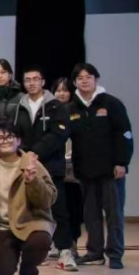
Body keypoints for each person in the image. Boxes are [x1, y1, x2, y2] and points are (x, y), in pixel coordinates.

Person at [66, 63, 132, 269]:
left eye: (89, 77)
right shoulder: (71, 108)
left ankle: (115, 254)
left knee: (114, 214)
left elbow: (124, 134)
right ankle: (94, 252)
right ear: (75, 82)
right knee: (90, 215)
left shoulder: (111, 103)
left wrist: (121, 162)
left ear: (96, 79)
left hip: (111, 171)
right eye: (80, 78)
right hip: (85, 171)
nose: (84, 81)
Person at [0, 123, 57, 275]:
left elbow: (49, 199)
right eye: (0, 138)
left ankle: (28, 271)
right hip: (1, 227)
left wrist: (33, 181)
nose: (5, 141)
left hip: (30, 222)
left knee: (41, 239)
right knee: (0, 273)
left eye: (10, 137)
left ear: (19, 141)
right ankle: (2, 262)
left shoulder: (33, 165)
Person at [13, 66, 74, 271]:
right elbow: (15, 134)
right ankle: (33, 251)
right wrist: (24, 156)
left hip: (51, 165)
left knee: (58, 208)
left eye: (35, 79)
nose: (31, 83)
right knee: (28, 209)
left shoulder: (56, 106)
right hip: (25, 165)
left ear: (43, 81)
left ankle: (65, 250)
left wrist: (34, 153)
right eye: (27, 80)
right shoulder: (19, 107)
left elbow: (59, 134)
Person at [53, 77, 85, 263]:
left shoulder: (76, 112)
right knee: (56, 209)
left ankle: (72, 244)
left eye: (65, 90)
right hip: (55, 167)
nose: (61, 93)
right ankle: (56, 245)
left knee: (74, 208)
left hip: (74, 169)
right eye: (58, 90)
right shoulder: (49, 110)